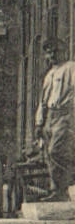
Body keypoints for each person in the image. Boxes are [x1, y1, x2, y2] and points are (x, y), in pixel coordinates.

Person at [34, 51, 75, 201]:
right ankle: (55, 190)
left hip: (65, 114)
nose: (52, 55)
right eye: (48, 53)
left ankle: (63, 189)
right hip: (49, 116)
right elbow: (43, 101)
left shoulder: (70, 68)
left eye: (54, 51)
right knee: (48, 155)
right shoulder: (50, 74)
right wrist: (39, 123)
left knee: (56, 151)